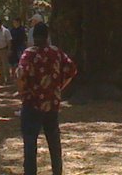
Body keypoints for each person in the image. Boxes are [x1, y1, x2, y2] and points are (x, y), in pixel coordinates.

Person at [16, 22, 77, 175]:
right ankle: (57, 171)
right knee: (54, 140)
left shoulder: (29, 54)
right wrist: (58, 87)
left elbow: (21, 74)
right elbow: (72, 70)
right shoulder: (56, 52)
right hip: (52, 103)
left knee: (30, 141)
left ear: (33, 36)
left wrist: (22, 91)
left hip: (32, 103)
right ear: (48, 36)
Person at [9, 17, 28, 81]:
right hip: (13, 47)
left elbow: (24, 39)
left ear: (18, 22)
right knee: (13, 63)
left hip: (20, 47)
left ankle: (20, 76)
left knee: (20, 62)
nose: (14, 23)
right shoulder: (12, 30)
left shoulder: (22, 30)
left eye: (15, 22)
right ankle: (13, 76)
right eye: (13, 22)